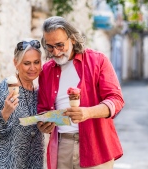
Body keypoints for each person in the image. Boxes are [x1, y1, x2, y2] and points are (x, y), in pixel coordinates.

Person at [37, 16, 125, 169]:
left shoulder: (98, 60)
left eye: (59, 45)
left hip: (96, 146)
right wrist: (44, 124)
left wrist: (88, 113)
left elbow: (116, 100)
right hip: (62, 146)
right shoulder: (46, 71)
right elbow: (43, 109)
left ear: (72, 39)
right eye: (50, 47)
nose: (55, 52)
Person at [0, 38, 44, 169]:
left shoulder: (39, 92)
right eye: (27, 63)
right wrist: (4, 113)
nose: (33, 68)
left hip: (32, 164)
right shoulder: (5, 88)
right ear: (15, 63)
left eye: (37, 62)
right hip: (6, 164)